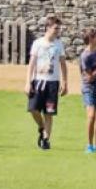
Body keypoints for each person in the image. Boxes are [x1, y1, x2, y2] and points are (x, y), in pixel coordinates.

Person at [26, 15, 68, 150]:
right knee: (33, 109)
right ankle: (41, 127)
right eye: (56, 28)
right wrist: (28, 82)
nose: (57, 31)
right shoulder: (37, 43)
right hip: (38, 81)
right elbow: (31, 64)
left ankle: (45, 140)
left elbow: (63, 64)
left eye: (59, 29)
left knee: (49, 112)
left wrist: (65, 82)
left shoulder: (59, 44)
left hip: (52, 84)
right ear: (48, 28)